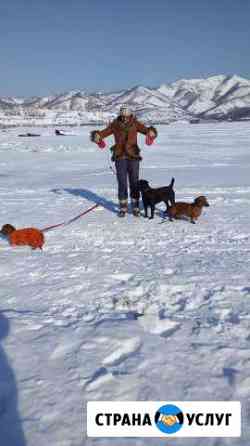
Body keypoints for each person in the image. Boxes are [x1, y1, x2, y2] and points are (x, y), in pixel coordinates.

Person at [90, 105, 157, 217]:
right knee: (122, 183)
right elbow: (104, 133)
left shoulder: (135, 123)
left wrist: (151, 133)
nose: (125, 117)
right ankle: (123, 207)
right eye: (123, 115)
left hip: (133, 157)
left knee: (134, 183)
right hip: (119, 156)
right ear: (120, 115)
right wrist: (97, 136)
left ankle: (135, 207)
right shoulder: (115, 124)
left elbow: (146, 131)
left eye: (127, 115)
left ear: (130, 115)